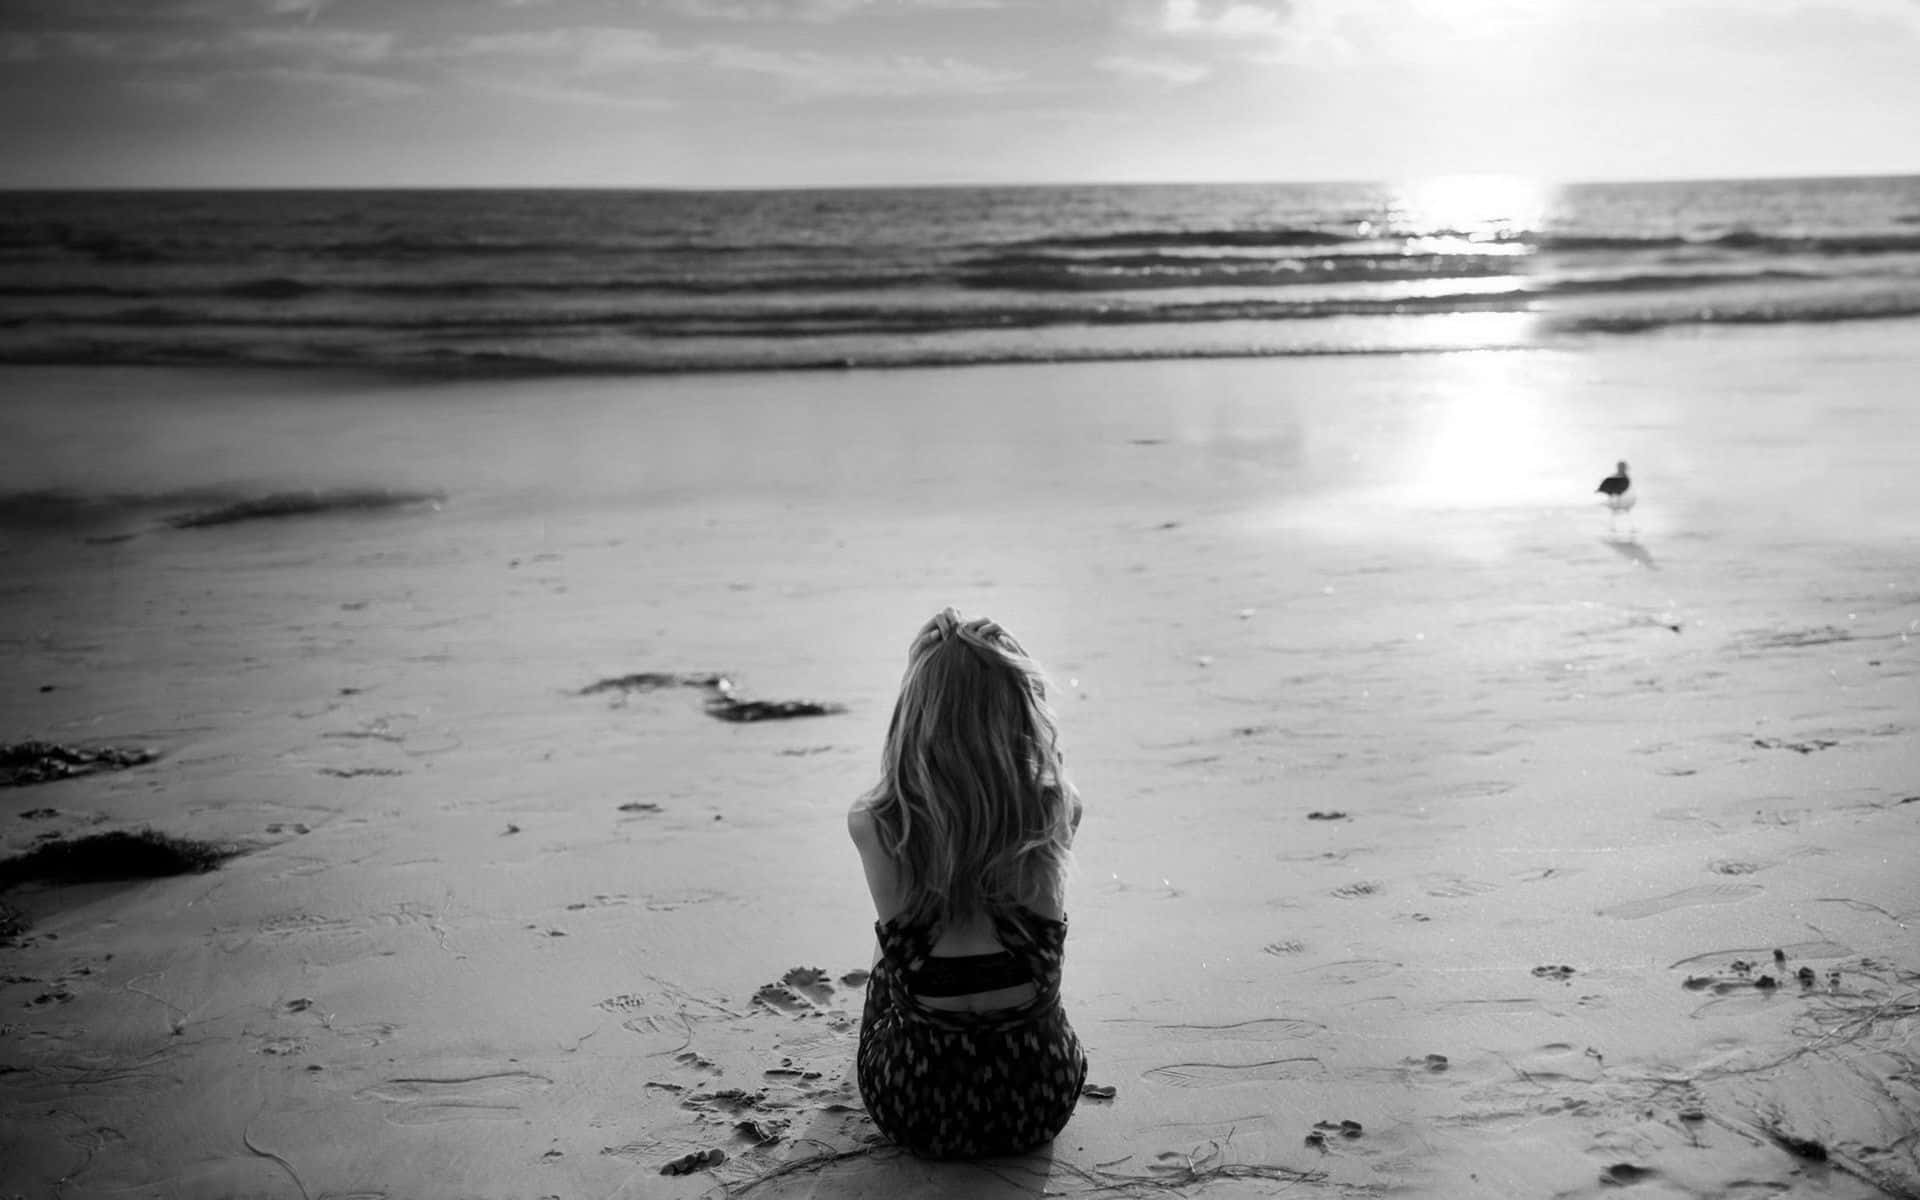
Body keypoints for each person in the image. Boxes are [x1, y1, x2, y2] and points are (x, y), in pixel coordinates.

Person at [848, 607, 1088, 1159]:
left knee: (894, 954)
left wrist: (927, 666)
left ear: (915, 715)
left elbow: (911, 816)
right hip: (1037, 1099)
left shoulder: (874, 825)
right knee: (1023, 955)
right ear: (1020, 712)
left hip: (915, 1105)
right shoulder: (1057, 810)